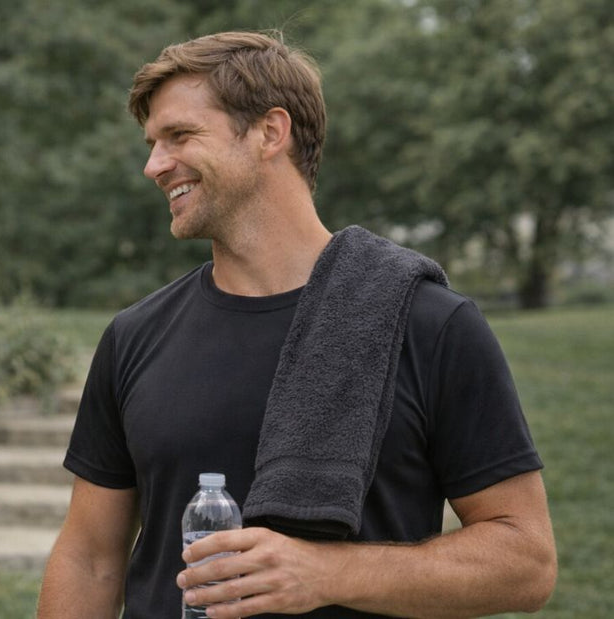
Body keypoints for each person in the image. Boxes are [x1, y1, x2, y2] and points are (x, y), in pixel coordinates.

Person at [38, 31, 556, 618]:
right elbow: (89, 558)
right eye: (153, 142)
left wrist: (326, 572)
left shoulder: (431, 324)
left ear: (269, 132)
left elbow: (526, 560)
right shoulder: (134, 336)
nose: (154, 165)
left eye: (179, 136)